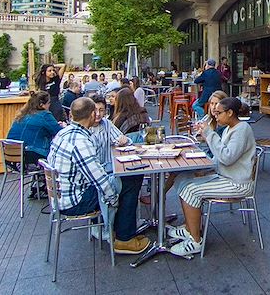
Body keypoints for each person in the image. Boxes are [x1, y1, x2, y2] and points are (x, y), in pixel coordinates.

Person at [47, 97, 150, 254]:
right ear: (90, 114)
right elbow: (100, 181)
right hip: (76, 202)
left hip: (59, 197)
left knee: (121, 181)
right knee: (130, 180)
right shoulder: (81, 141)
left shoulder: (63, 134)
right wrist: (113, 198)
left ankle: (119, 229)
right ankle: (124, 239)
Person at [168, 97, 256, 256]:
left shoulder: (242, 130)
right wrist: (206, 168)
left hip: (237, 183)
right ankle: (190, 228)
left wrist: (209, 133)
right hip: (225, 176)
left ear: (230, 113)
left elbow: (227, 157)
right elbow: (221, 156)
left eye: (218, 113)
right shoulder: (230, 128)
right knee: (182, 179)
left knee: (191, 190)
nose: (215, 116)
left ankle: (195, 241)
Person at [87, 94, 145, 245]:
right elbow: (91, 171)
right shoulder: (84, 132)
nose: (98, 114)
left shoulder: (106, 124)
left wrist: (125, 140)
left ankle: (122, 226)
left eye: (101, 110)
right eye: (95, 111)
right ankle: (123, 234)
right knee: (130, 183)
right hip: (93, 183)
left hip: (107, 172)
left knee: (135, 177)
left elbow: (125, 139)